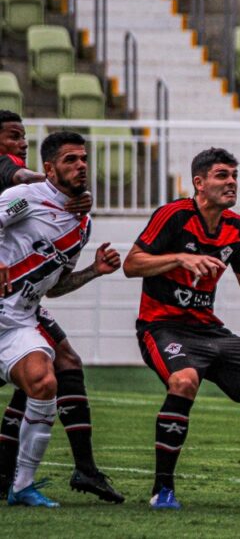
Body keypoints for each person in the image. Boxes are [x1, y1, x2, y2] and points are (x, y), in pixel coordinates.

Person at [122, 148, 240, 510]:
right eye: (222, 176)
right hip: (162, 326)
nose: (231, 183)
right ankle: (163, 491)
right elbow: (131, 264)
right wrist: (180, 257)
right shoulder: (174, 216)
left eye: (234, 176)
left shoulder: (237, 227)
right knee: (184, 381)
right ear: (200, 183)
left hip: (209, 331)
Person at [0, 112, 124, 503]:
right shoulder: (25, 198)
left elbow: (55, 288)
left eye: (84, 159)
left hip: (18, 321)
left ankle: (21, 486)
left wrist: (94, 271)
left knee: (45, 382)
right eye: (71, 160)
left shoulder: (82, 223)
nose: (81, 166)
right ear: (49, 168)